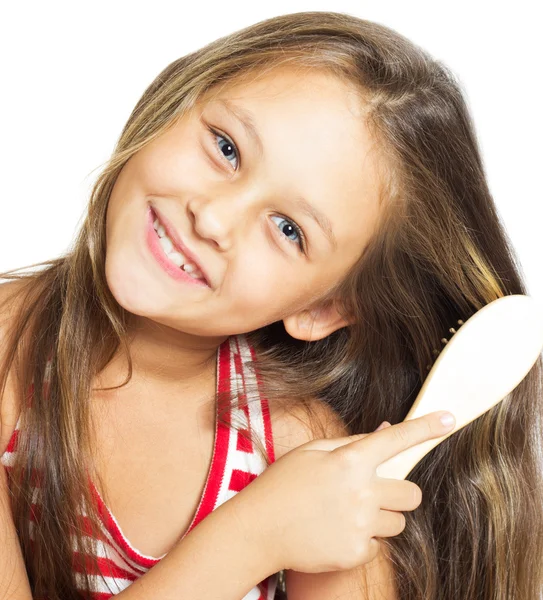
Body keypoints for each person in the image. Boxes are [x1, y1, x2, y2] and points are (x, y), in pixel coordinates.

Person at [1, 10, 542, 600]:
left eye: (288, 229)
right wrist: (251, 538)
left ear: (324, 308)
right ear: (175, 98)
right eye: (227, 148)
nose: (211, 217)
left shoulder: (303, 460)